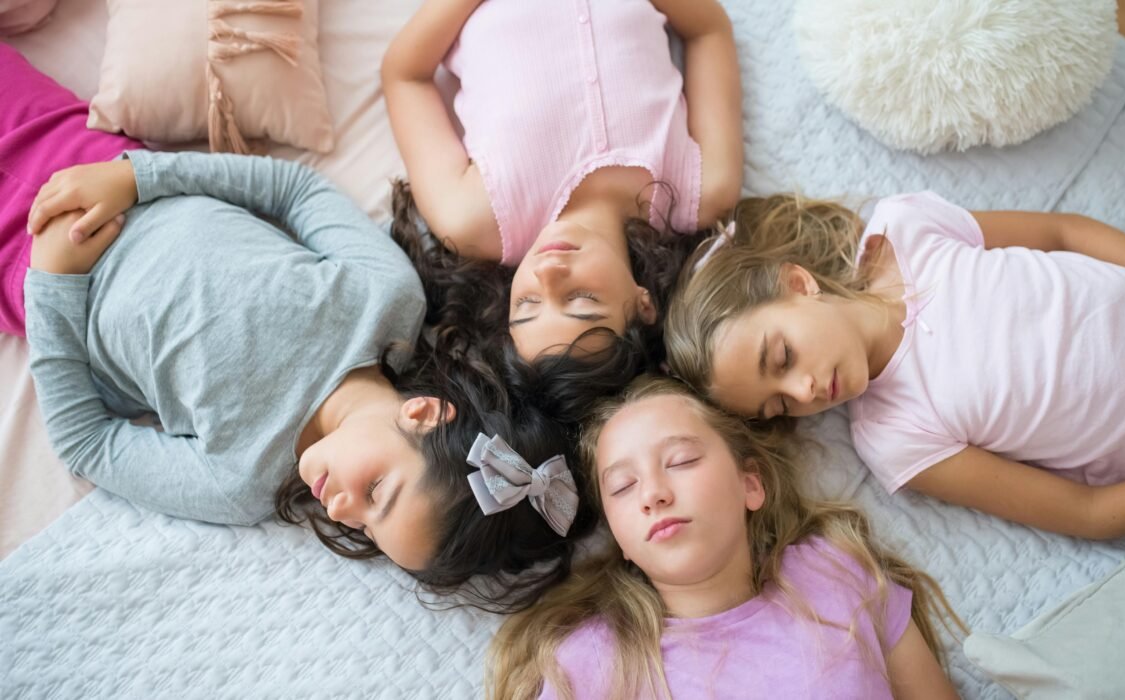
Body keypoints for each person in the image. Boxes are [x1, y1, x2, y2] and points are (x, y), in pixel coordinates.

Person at [10, 45, 592, 610]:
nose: (341, 511)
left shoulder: (242, 480)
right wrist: (136, 177)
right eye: (375, 493)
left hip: (26, 268)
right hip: (90, 163)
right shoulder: (385, 300)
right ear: (423, 414)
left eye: (364, 529)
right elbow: (295, 191)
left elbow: (88, 444)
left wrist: (52, 278)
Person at [664, 190, 1125, 538]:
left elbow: (1065, 232)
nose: (804, 392)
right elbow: (1087, 513)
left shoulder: (905, 228)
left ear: (797, 283)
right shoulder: (895, 436)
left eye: (782, 357)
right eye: (780, 405)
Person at [490, 377, 961, 699]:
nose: (653, 494)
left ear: (750, 485)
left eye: (681, 461)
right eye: (623, 487)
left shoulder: (834, 571)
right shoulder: (588, 665)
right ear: (621, 540)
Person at [381, 0, 742, 362]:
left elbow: (405, 75)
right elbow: (708, 32)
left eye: (527, 304)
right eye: (582, 301)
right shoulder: (701, 190)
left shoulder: (471, 219)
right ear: (643, 305)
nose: (548, 272)